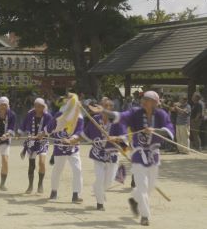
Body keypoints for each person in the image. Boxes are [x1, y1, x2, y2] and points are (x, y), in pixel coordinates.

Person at [89, 90, 174, 226]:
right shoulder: (135, 112)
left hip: (153, 155)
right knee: (142, 186)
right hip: (138, 154)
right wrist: (104, 112)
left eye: (146, 99)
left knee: (149, 188)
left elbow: (169, 130)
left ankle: (135, 198)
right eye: (143, 98)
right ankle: (145, 216)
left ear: (154, 102)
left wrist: (155, 130)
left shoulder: (161, 114)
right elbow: (120, 116)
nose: (143, 101)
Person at [84, 99, 126, 211]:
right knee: (99, 178)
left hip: (112, 154)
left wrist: (116, 138)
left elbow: (125, 139)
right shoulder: (95, 120)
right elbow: (85, 134)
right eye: (104, 106)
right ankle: (100, 203)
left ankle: (97, 189)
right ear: (100, 107)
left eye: (108, 106)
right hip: (98, 154)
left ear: (111, 108)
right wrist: (73, 140)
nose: (106, 108)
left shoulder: (117, 121)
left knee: (108, 182)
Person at [47, 95, 84, 203]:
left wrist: (72, 139)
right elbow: (50, 127)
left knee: (77, 170)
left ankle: (76, 194)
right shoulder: (60, 114)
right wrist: (43, 133)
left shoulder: (79, 117)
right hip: (60, 147)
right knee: (57, 170)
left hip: (73, 148)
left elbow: (79, 131)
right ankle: (54, 191)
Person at [18, 98, 53, 194]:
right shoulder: (30, 114)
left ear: (43, 107)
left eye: (39, 106)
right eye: (35, 105)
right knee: (31, 164)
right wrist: (19, 134)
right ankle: (30, 185)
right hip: (31, 141)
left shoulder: (48, 116)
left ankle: (40, 184)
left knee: (42, 162)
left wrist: (43, 135)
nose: (36, 108)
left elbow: (50, 128)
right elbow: (23, 124)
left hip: (43, 141)